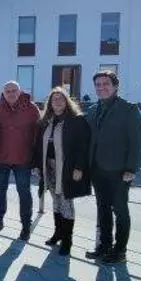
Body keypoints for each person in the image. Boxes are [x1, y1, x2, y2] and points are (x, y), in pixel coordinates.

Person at [84, 71, 141, 264]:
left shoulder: (129, 109)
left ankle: (120, 251)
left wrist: (131, 169)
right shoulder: (93, 110)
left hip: (120, 170)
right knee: (102, 209)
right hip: (97, 168)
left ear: (115, 86)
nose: (101, 87)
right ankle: (104, 246)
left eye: (105, 84)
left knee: (120, 209)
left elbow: (137, 142)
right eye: (98, 85)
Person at [33, 87, 91, 256]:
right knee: (56, 201)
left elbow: (83, 146)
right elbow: (38, 146)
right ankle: (58, 233)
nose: (57, 101)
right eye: (54, 99)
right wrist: (37, 165)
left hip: (67, 168)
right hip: (49, 167)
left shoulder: (77, 120)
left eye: (61, 98)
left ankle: (67, 241)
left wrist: (79, 168)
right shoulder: (46, 121)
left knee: (66, 202)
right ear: (50, 103)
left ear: (67, 101)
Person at [0, 81, 40, 240]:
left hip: (23, 158)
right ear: (3, 93)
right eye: (8, 91)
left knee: (24, 192)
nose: (11, 93)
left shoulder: (31, 109)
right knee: (0, 190)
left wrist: (36, 158)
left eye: (14, 90)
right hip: (1, 158)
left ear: (20, 91)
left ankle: (26, 225)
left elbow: (38, 134)